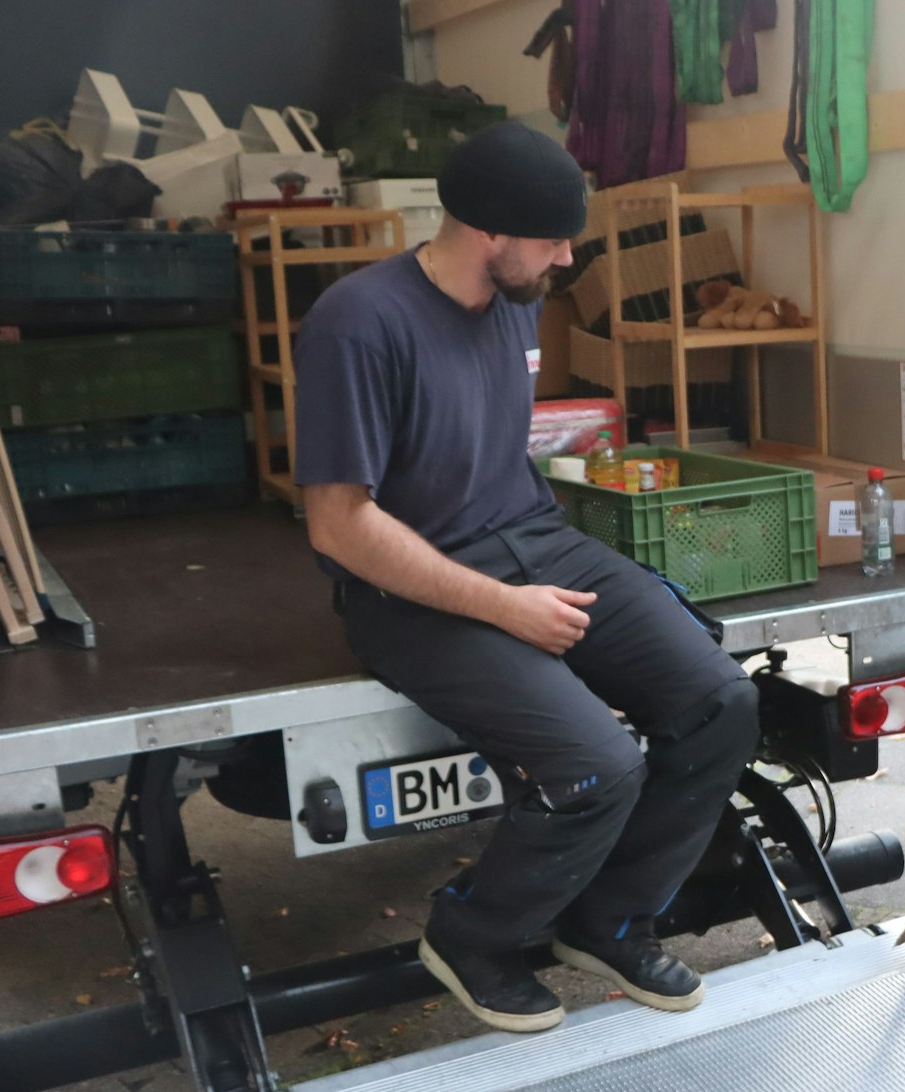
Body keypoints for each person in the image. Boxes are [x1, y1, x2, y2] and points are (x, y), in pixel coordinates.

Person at [293, 121, 759, 1033]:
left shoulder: (513, 300)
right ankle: (472, 934)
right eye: (554, 238)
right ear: (491, 233)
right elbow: (339, 522)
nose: (569, 255)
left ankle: (611, 917)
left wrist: (531, 574)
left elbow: (492, 451)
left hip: (531, 540)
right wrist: (503, 608)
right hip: (408, 587)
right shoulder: (359, 322)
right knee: (595, 765)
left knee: (721, 700)